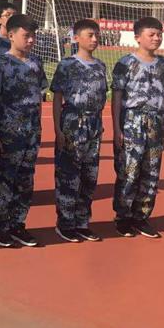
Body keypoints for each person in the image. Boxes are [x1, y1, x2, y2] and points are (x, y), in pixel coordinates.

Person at [111, 17, 164, 239]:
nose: (156, 38)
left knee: (151, 172)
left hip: (157, 123)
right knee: (129, 172)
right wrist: (116, 129)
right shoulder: (125, 63)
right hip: (132, 122)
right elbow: (117, 98)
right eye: (152, 34)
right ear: (138, 37)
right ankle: (123, 217)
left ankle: (141, 217)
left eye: (159, 34)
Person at [0, 14, 48, 248]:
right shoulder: (0, 64)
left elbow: (39, 96)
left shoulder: (36, 63)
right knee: (5, 181)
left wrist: (38, 126)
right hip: (8, 131)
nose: (31, 40)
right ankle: (1, 227)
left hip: (31, 131)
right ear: (11, 35)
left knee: (26, 180)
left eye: (33, 36)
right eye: (26, 35)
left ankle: (18, 224)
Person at [51, 19, 108, 243]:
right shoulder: (66, 65)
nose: (94, 39)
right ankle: (65, 224)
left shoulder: (100, 66)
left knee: (89, 176)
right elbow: (57, 98)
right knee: (69, 176)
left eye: (97, 35)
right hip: (73, 122)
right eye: (89, 35)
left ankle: (82, 222)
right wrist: (58, 129)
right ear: (76, 38)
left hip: (94, 125)